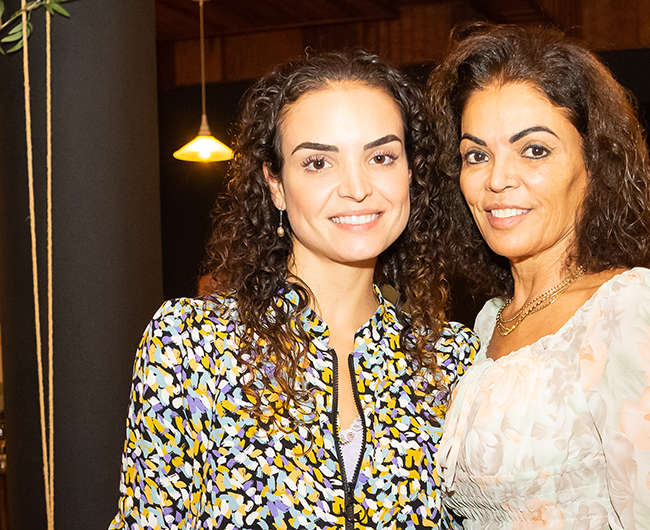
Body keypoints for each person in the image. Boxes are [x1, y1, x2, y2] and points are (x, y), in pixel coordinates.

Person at [110, 50, 478, 529]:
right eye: (318, 162)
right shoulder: (191, 344)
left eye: (381, 157)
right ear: (276, 184)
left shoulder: (451, 360)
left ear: (411, 171)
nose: (357, 188)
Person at [427, 24, 650, 529]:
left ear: (594, 163)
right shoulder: (489, 324)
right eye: (477, 155)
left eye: (534, 150)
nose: (497, 179)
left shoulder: (631, 308)